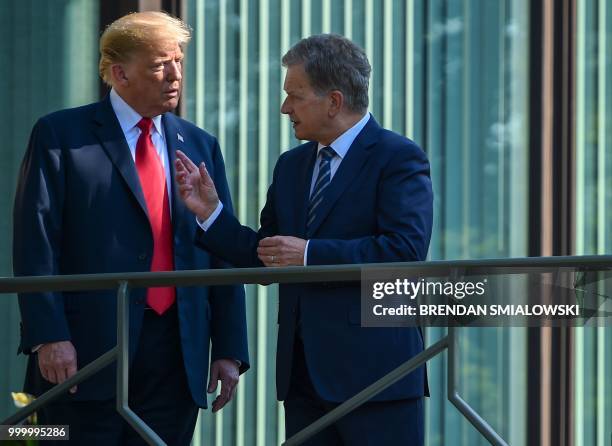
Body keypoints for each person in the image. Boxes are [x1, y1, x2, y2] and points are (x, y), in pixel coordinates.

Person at [176, 34, 433, 445]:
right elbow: (268, 256)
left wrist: (310, 254)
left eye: (294, 96)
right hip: (303, 380)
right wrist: (211, 215)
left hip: (377, 379)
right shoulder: (291, 166)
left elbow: (404, 252)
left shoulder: (398, 157)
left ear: (333, 101)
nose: (284, 108)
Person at [13, 11, 249, 445]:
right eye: (160, 64)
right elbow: (36, 243)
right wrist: (49, 336)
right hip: (84, 352)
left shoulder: (200, 144)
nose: (175, 75)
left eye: (178, 61)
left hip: (178, 353)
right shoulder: (60, 135)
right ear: (119, 73)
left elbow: (221, 247)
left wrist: (231, 349)